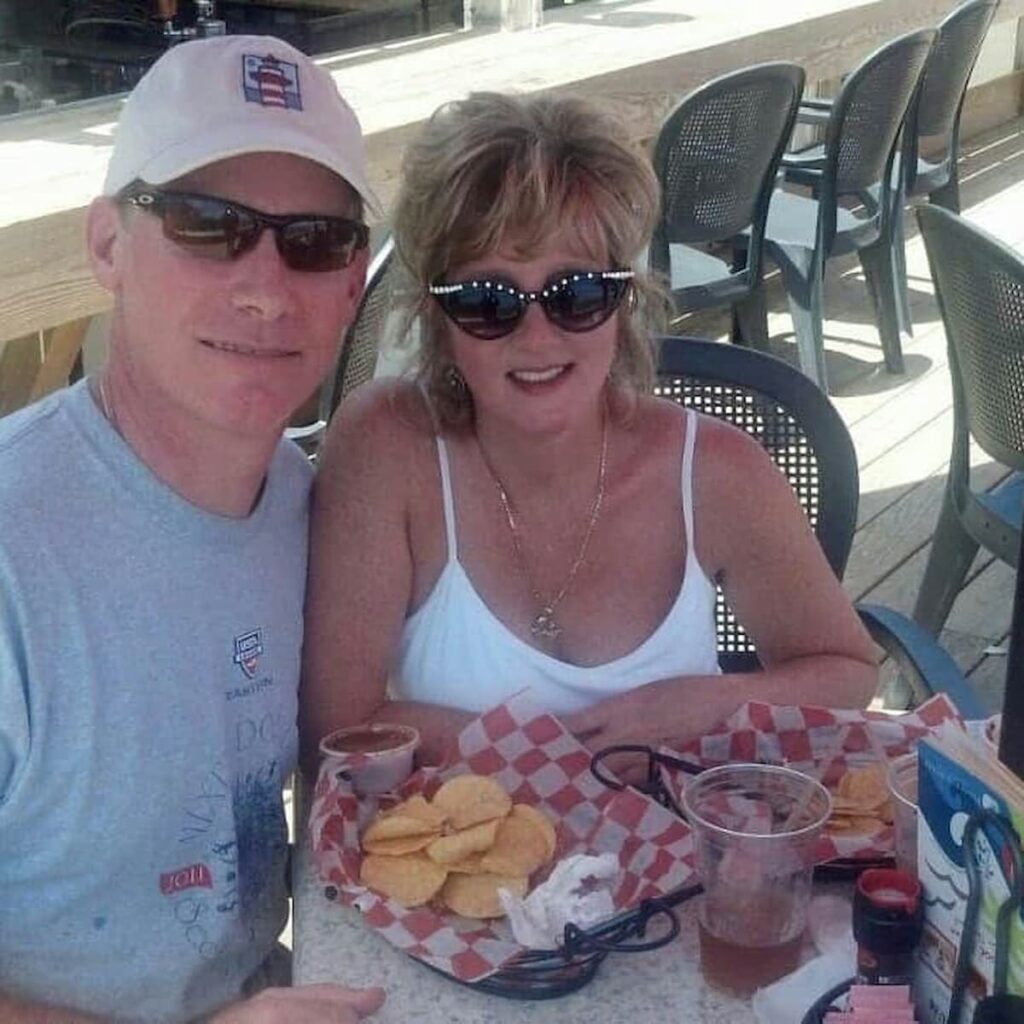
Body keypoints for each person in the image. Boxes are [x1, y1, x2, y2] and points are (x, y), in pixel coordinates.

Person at [300, 91, 879, 775]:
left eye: (577, 293)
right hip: (463, 870)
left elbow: (845, 673)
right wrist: (565, 757)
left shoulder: (717, 469)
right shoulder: (386, 446)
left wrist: (713, 705)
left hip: (678, 864)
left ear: (625, 300)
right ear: (437, 318)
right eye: (490, 302)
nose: (537, 337)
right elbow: (336, 730)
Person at [0, 34, 386, 1024]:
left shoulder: (314, 509)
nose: (265, 288)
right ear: (105, 246)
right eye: (207, 224)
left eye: (312, 240)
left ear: (351, 287)